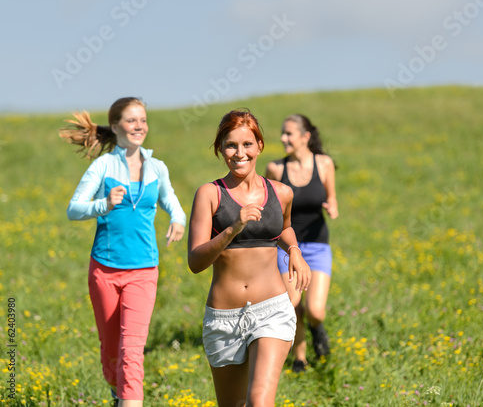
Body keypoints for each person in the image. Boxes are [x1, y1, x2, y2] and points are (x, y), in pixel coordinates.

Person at [59, 97, 186, 407]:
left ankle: (129, 400)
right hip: (104, 269)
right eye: (131, 121)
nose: (139, 126)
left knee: (132, 350)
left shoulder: (157, 167)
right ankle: (118, 394)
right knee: (112, 350)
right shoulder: (103, 166)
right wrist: (104, 204)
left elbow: (171, 200)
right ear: (116, 127)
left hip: (144, 270)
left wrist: (178, 219)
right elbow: (73, 210)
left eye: (142, 120)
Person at [188, 109, 311, 407]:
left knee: (259, 402)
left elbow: (283, 228)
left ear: (259, 146)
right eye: (231, 145)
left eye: (247, 144)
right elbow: (196, 261)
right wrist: (232, 229)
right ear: (220, 150)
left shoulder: (281, 193)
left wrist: (294, 250)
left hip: (272, 310)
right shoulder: (209, 194)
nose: (239, 153)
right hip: (223, 318)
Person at [266, 114, 338, 373]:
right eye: (283, 134)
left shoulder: (324, 164)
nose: (283, 138)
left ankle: (317, 330)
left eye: (289, 134)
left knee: (316, 311)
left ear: (305, 137)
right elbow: (269, 205)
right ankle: (300, 358)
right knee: (293, 305)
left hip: (318, 246)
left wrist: (332, 206)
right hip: (287, 248)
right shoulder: (275, 169)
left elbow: (331, 196)